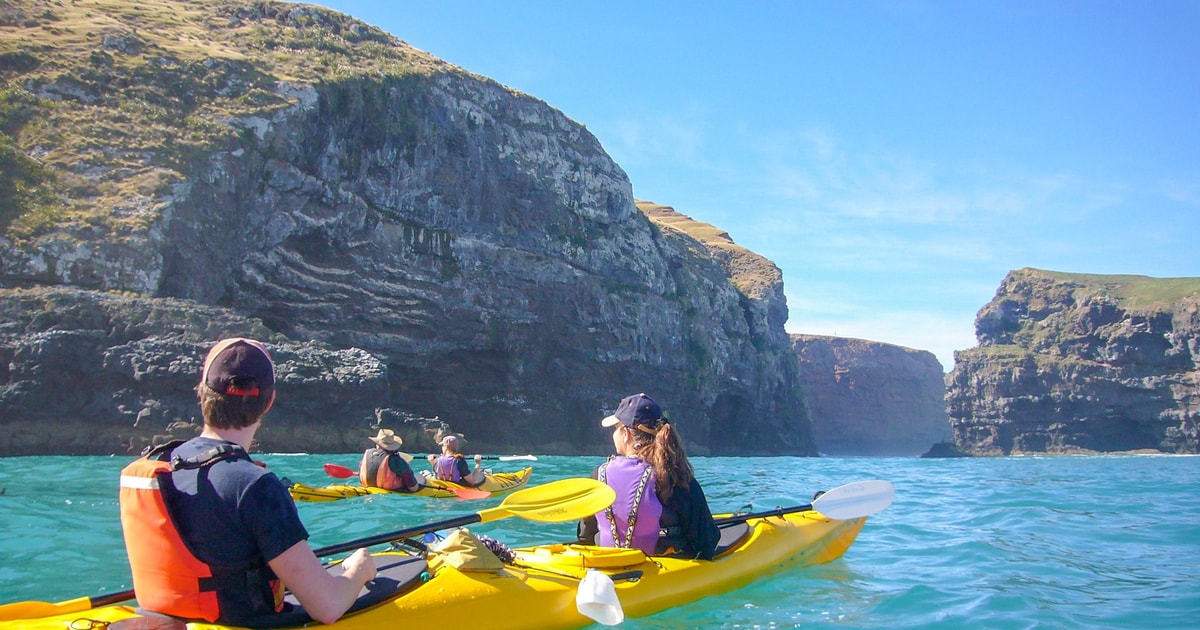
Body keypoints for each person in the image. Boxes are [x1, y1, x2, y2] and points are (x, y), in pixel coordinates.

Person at [119, 338, 376, 626]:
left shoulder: (157, 464)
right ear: (269, 401)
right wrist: (359, 570)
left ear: (202, 394)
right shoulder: (255, 485)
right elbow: (327, 607)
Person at [577, 393, 721, 560]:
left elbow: (585, 537)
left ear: (626, 433)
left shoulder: (598, 476)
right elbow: (707, 542)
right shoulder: (675, 478)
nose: (613, 434)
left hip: (607, 567)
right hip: (665, 572)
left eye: (616, 428)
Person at [359, 428, 424, 492]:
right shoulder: (396, 460)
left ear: (377, 444)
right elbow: (413, 487)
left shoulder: (367, 454)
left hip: (367, 488)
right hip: (392, 492)